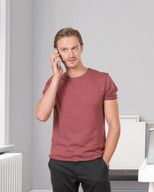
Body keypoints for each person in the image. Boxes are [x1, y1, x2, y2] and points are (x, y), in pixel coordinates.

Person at [35, 27, 121, 192]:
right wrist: (56, 77)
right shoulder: (54, 83)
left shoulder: (103, 80)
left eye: (74, 48)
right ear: (57, 53)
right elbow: (41, 115)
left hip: (94, 162)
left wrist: (104, 162)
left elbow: (114, 124)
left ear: (82, 48)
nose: (71, 54)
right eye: (64, 50)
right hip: (60, 163)